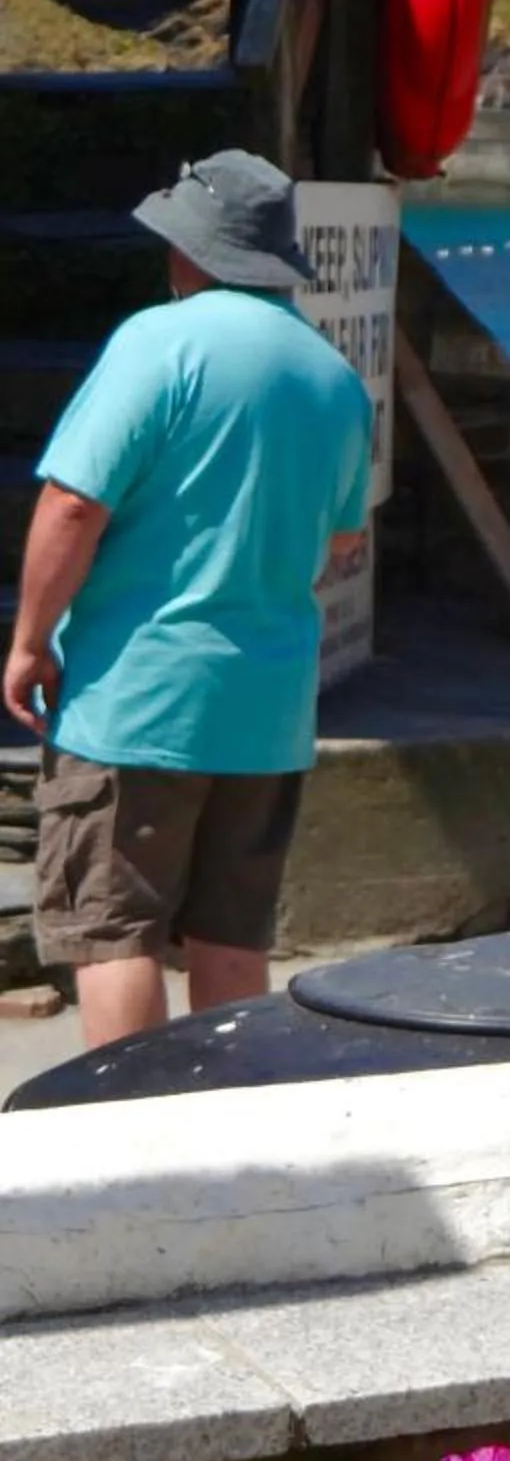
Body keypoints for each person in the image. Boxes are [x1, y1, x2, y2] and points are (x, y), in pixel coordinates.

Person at [4, 152, 374, 1052]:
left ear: (189, 249)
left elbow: (74, 503)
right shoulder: (333, 377)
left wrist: (28, 639)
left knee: (113, 928)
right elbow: (341, 540)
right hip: (269, 705)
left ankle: (136, 1142)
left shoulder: (156, 342)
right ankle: (226, 1141)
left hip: (140, 694)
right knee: (231, 940)